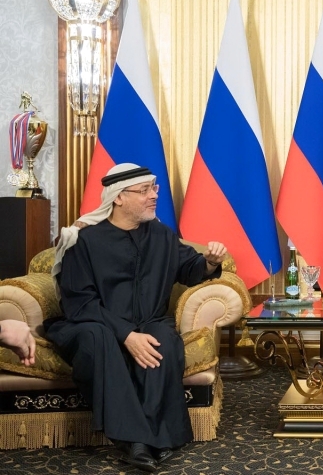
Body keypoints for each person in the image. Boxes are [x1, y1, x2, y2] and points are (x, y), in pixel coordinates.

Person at [44, 163, 227, 473]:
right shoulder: (85, 241)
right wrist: (126, 335)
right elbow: (80, 303)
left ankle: (145, 442)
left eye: (153, 188)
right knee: (98, 339)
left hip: (149, 320)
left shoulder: (161, 235)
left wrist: (209, 263)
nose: (154, 195)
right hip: (93, 323)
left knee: (163, 340)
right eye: (144, 190)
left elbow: (189, 269)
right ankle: (141, 441)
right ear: (118, 197)